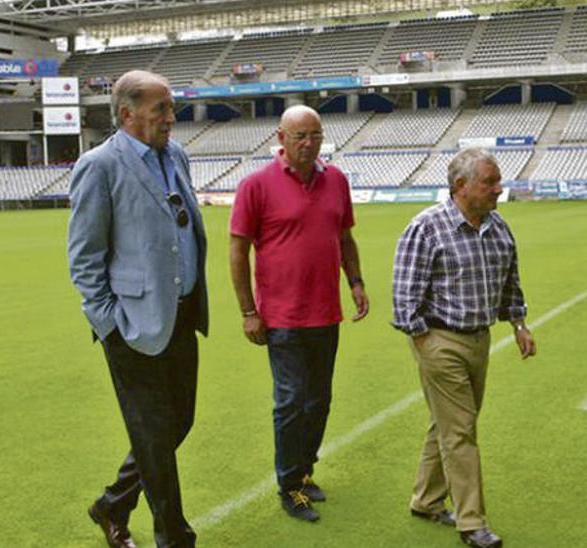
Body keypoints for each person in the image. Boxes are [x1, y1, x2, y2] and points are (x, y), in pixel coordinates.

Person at [68, 70, 208, 548]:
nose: (172, 117)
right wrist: (109, 324)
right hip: (131, 326)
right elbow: (84, 257)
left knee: (177, 423)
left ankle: (110, 504)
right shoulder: (100, 165)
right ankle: (174, 536)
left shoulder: (177, 157)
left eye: (171, 107)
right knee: (152, 435)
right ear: (127, 114)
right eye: (161, 109)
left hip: (181, 316)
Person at [229, 105, 369, 522]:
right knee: (290, 401)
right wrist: (248, 311)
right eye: (299, 137)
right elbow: (237, 250)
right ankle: (290, 485)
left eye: (315, 135)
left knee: (319, 401)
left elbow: (344, 237)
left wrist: (356, 282)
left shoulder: (336, 181)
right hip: (282, 317)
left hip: (326, 313)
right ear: (280, 138)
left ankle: (305, 470)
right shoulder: (256, 185)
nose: (308, 144)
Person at [392, 148, 536, 548]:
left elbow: (511, 283)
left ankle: (425, 500)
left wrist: (519, 325)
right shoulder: (426, 228)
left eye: (497, 180)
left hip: (480, 339)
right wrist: (428, 342)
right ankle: (472, 522)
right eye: (489, 182)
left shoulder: (499, 228)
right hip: (441, 340)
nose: (498, 189)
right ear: (460, 186)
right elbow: (404, 298)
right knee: (461, 431)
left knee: (448, 424)